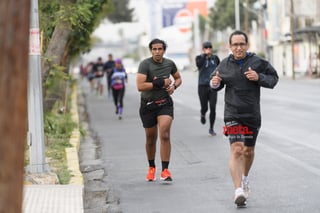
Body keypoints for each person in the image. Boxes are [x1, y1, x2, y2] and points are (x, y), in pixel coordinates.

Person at [210, 30, 278, 207]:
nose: (238, 47)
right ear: (230, 46)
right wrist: (215, 83)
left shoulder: (258, 62)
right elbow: (215, 80)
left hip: (252, 115)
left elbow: (273, 78)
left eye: (242, 44)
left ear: (247, 45)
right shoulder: (224, 64)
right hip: (232, 114)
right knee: (237, 149)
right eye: (235, 44)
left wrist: (259, 77)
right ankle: (238, 190)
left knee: (248, 151)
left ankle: (245, 178)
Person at [136, 38, 182, 182]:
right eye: (154, 49)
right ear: (151, 51)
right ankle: (151, 168)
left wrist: (174, 86)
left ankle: (165, 170)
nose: (157, 51)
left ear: (164, 50)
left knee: (165, 133)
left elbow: (178, 78)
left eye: (160, 49)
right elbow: (140, 86)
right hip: (148, 105)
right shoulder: (145, 64)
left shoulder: (169, 64)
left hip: (164, 104)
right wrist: (160, 82)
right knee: (150, 138)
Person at [195, 41, 220, 136]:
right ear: (203, 49)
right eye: (206, 48)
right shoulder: (199, 58)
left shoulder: (215, 58)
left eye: (209, 48)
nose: (208, 49)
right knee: (204, 107)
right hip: (202, 86)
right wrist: (205, 56)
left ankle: (211, 128)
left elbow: (220, 68)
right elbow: (198, 65)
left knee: (213, 107)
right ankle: (202, 113)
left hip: (212, 86)